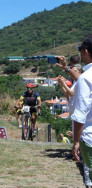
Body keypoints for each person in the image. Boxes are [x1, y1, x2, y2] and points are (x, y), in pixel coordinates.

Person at [57, 37, 92, 185]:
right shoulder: (85, 77)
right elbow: (81, 78)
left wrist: (76, 141)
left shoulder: (85, 78)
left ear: (85, 51)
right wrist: (66, 68)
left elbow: (80, 115)